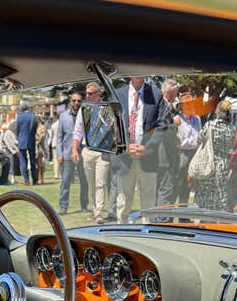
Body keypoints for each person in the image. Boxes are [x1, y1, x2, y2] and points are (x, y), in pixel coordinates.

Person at [113, 76, 163, 222]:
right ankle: (121, 236)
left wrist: (148, 148)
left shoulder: (156, 94)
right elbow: (110, 125)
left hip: (147, 158)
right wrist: (125, 146)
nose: (137, 74)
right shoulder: (117, 94)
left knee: (149, 207)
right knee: (123, 204)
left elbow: (163, 124)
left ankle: (146, 238)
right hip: (124, 158)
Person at [72, 82, 110, 221]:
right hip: (87, 150)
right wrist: (74, 150)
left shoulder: (107, 108)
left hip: (102, 151)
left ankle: (98, 212)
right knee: (91, 184)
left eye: (90, 93)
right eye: (86, 93)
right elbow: (77, 132)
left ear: (98, 94)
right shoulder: (83, 110)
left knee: (100, 183)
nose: (87, 96)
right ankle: (94, 210)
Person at [193, 98, 236, 211]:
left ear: (218, 111)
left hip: (208, 162)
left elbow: (199, 140)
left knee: (205, 193)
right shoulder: (231, 129)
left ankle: (204, 219)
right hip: (223, 164)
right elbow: (232, 145)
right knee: (220, 193)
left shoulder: (209, 125)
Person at [57, 91, 89, 214]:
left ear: (82, 102)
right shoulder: (63, 116)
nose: (76, 103)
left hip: (83, 153)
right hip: (67, 154)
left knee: (84, 181)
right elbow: (59, 137)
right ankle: (63, 206)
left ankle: (84, 206)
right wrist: (59, 154)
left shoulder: (87, 115)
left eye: (79, 101)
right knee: (65, 182)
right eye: (74, 100)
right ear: (70, 102)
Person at [156, 78, 181, 206]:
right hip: (163, 154)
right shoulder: (163, 106)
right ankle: (161, 220)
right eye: (176, 92)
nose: (177, 95)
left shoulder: (166, 105)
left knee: (161, 188)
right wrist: (174, 124)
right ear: (171, 92)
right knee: (165, 188)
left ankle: (159, 217)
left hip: (162, 154)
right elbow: (161, 127)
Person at [176, 97, 201, 204]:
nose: (192, 106)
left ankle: (183, 213)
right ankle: (170, 213)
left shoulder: (197, 119)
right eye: (189, 104)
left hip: (194, 153)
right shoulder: (177, 119)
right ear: (183, 106)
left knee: (188, 183)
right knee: (179, 182)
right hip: (181, 153)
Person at [16, 100, 38, 185]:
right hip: (31, 140)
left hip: (22, 140)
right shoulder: (33, 116)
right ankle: (35, 180)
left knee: (23, 161)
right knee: (33, 161)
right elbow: (35, 128)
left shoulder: (19, 117)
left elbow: (17, 129)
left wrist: (19, 138)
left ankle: (26, 181)